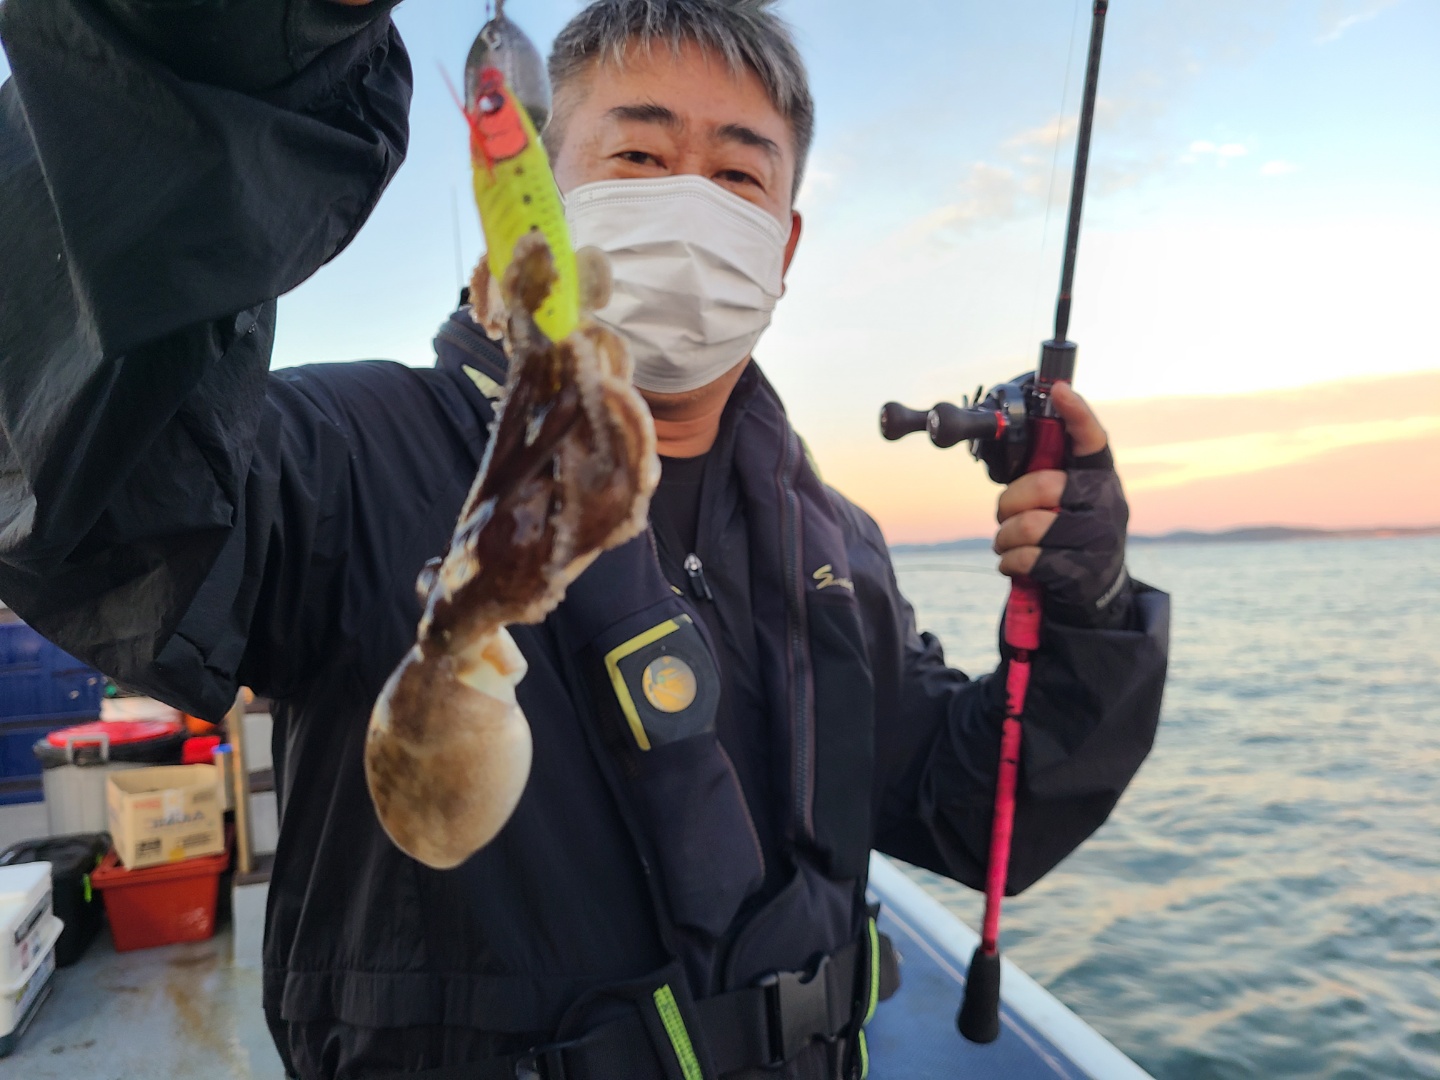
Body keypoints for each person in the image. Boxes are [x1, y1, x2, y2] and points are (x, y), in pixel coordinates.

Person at [0, 1, 1169, 1077]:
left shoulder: (837, 546)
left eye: (738, 174)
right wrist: (245, 37)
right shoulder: (345, 456)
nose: (692, 202)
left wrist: (1089, 608)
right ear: (543, 193)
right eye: (641, 156)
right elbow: (91, 494)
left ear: (786, 243)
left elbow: (977, 807)